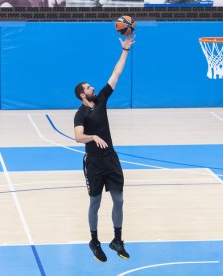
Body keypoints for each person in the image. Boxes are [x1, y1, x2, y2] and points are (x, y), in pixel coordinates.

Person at [73, 35, 135, 263]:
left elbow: (116, 74)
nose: (92, 88)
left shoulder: (100, 100)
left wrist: (125, 50)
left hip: (111, 159)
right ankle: (94, 240)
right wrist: (93, 136)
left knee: (118, 200)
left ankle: (117, 239)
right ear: (82, 94)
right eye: (88, 87)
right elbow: (78, 137)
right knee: (95, 203)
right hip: (94, 162)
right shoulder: (81, 113)